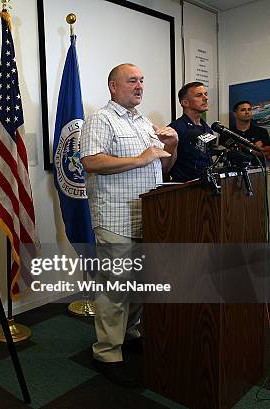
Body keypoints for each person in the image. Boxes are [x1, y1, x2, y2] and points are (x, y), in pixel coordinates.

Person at [80, 63, 178, 387]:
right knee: (115, 288)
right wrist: (140, 158)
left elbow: (164, 167)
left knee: (139, 285)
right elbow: (91, 161)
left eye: (141, 81)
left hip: (147, 216)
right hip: (114, 217)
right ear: (113, 86)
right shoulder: (101, 119)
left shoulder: (144, 122)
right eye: (132, 80)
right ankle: (106, 352)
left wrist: (172, 145)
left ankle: (130, 332)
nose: (139, 86)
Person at [168, 82, 213, 182]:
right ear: (185, 103)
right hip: (185, 188)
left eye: (205, 94)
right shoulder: (175, 129)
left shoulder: (208, 129)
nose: (205, 98)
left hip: (207, 184)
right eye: (199, 95)